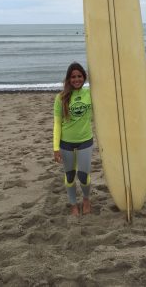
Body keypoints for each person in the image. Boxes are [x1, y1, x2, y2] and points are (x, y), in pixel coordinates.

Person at [53, 62, 93, 216]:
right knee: (70, 175)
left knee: (83, 176)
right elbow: (57, 124)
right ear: (68, 79)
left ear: (84, 77)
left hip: (85, 141)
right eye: (73, 77)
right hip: (66, 143)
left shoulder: (90, 94)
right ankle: (73, 204)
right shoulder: (61, 98)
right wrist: (56, 148)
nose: (77, 79)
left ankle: (86, 199)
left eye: (79, 76)